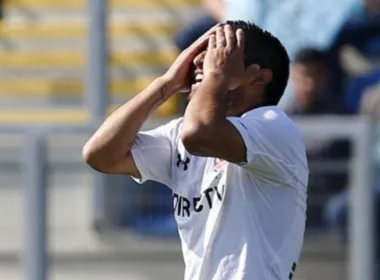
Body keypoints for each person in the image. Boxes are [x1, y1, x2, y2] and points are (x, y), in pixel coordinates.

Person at [83, 21, 309, 280]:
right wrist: (166, 83)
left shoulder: (274, 126)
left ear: (258, 77)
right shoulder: (182, 133)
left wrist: (214, 77)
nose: (201, 63)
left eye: (219, 54)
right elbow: (100, 155)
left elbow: (199, 135)